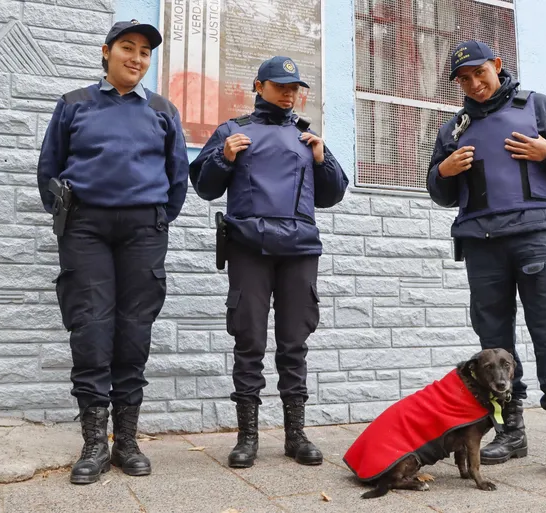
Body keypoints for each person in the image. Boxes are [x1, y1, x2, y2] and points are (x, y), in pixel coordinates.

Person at [426, 40, 546, 482]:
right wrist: (443, 172)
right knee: (493, 345)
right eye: (464, 79)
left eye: (480, 72)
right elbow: (439, 192)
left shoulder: (537, 107)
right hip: (480, 245)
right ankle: (511, 432)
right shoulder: (454, 128)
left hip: (533, 238)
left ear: (497, 66)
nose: (474, 84)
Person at [37, 19, 189, 484]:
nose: (137, 58)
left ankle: (125, 441)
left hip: (143, 230)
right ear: (107, 52)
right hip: (86, 230)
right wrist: (68, 219)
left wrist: (157, 219)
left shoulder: (163, 110)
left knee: (133, 330)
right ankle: (92, 445)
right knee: (91, 327)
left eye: (145, 51)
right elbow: (49, 169)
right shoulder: (73, 105)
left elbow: (177, 176)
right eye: (128, 47)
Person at [189, 56, 348, 469]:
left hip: (299, 250)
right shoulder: (233, 131)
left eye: (295, 87)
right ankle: (248, 438)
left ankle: (295, 435)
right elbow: (205, 187)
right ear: (258, 86)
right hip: (249, 249)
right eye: (280, 85)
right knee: (250, 342)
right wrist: (223, 157)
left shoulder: (307, 136)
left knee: (294, 344)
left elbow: (332, 195)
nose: (289, 93)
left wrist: (322, 158)